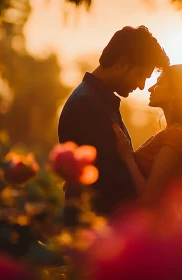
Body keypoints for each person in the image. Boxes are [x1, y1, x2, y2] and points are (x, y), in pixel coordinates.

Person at [58, 26, 170, 219]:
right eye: (141, 75)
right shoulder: (88, 105)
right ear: (122, 63)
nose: (142, 86)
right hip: (93, 231)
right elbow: (106, 184)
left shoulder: (99, 101)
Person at [113, 64, 182, 209]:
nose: (150, 88)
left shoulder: (176, 135)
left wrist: (128, 158)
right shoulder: (178, 133)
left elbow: (148, 199)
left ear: (176, 92)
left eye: (159, 83)